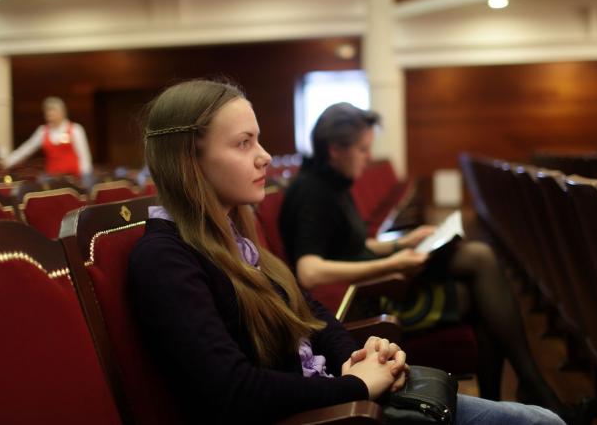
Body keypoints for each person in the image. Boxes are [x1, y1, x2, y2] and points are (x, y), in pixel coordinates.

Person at [128, 79, 564, 424]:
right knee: (541, 422)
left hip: (331, 394)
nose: (264, 157)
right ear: (190, 158)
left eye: (258, 141)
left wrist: (357, 355)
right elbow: (235, 392)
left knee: (540, 418)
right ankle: (533, 386)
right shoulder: (166, 259)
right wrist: (356, 386)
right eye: (244, 143)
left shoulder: (232, 235)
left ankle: (532, 387)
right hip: (325, 410)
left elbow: (307, 310)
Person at [279, 103, 574, 420]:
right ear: (335, 149)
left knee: (480, 273)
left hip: (378, 284)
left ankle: (523, 392)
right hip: (373, 298)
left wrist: (402, 242)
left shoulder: (333, 183)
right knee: (479, 273)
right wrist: (393, 264)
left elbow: (349, 247)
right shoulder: (312, 191)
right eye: (363, 149)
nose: (368, 157)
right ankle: (530, 390)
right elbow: (310, 270)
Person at [5, 96, 92, 178]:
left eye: (52, 111)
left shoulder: (76, 129)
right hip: (52, 176)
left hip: (74, 176)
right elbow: (26, 149)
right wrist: (7, 162)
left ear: (62, 113)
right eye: (47, 112)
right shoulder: (42, 131)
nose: (49, 114)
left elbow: (84, 156)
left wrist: (86, 176)